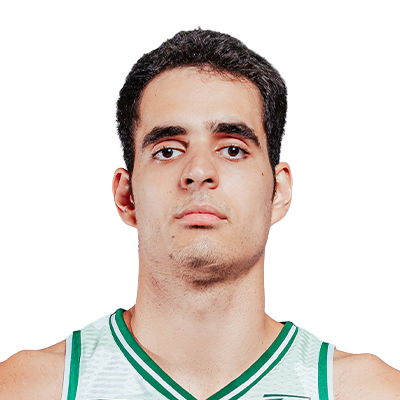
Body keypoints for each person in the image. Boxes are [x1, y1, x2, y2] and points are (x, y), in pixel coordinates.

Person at [0, 27, 399, 400]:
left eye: (233, 149)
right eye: (167, 151)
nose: (199, 171)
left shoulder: (367, 391)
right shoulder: (32, 388)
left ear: (278, 191)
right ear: (126, 196)